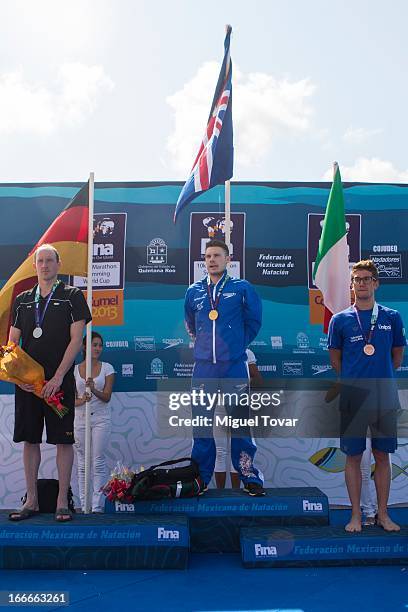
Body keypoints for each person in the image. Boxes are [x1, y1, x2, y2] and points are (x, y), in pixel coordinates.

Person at [8, 244, 91, 522]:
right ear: (34, 266)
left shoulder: (73, 296)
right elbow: (11, 345)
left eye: (49, 261)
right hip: (29, 387)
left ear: (58, 264)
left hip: (59, 386)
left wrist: (57, 377)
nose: (44, 265)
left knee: (62, 442)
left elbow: (76, 340)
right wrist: (19, 379)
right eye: (39, 261)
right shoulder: (21, 300)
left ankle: (61, 502)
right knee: (29, 441)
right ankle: (30, 500)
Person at [328, 259, 405, 532]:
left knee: (382, 456)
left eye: (366, 278)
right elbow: (336, 360)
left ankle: (383, 514)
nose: (361, 283)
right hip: (353, 398)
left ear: (376, 283)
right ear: (352, 285)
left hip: (384, 398)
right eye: (357, 279)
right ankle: (356, 516)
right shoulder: (339, 320)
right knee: (353, 457)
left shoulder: (392, 317)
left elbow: (396, 358)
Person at [184, 239, 265, 496]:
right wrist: (207, 348)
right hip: (204, 368)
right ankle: (200, 479)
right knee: (201, 425)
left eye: (217, 255)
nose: (211, 260)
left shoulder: (242, 288)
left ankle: (249, 476)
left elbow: (254, 321)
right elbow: (191, 324)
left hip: (234, 367)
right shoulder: (194, 291)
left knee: (240, 425)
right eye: (207, 256)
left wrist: (236, 345)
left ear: (228, 260)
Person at [74, 332, 115, 512]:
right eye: (94, 345)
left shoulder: (108, 368)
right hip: (80, 418)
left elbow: (106, 397)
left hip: (101, 419)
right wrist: (82, 400)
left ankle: (97, 506)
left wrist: (93, 389)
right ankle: (84, 506)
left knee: (98, 461)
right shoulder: (75, 370)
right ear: (85, 347)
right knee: (83, 463)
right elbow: (71, 400)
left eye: (100, 345)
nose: (98, 348)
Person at [214, 348, 263, 489]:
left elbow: (257, 379)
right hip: (219, 406)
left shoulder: (246, 352)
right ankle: (221, 494)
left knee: (239, 451)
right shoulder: (212, 352)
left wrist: (241, 387)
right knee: (220, 452)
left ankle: (235, 493)